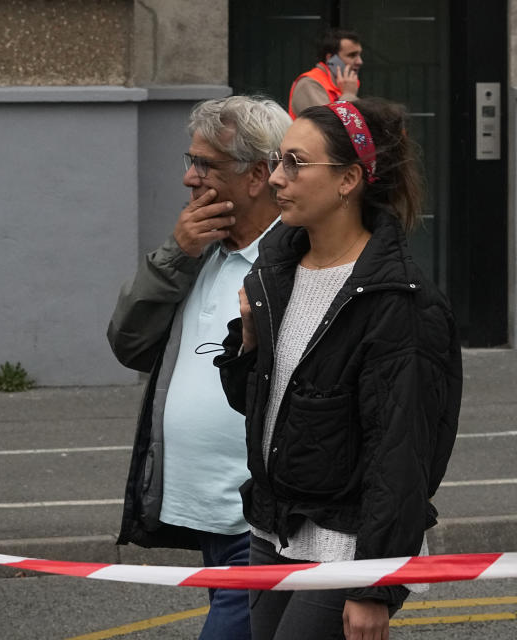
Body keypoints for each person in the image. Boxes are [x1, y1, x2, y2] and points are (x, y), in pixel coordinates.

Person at [214, 98, 462, 640]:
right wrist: (248, 348)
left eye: (296, 163)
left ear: (349, 179)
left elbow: (401, 453)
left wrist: (375, 584)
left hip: (348, 544)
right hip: (274, 527)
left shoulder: (400, 301)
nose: (277, 178)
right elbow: (253, 401)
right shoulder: (278, 266)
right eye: (279, 160)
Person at [107, 95, 292, 640]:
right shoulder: (199, 252)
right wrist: (174, 257)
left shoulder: (294, 260)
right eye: (190, 162)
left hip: (260, 513)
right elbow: (130, 343)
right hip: (207, 509)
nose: (190, 178)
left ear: (258, 174)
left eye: (205, 165)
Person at [288, 29, 364, 120]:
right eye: (352, 55)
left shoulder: (344, 85)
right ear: (330, 58)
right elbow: (329, 127)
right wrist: (348, 95)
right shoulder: (309, 83)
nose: (360, 61)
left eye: (359, 55)